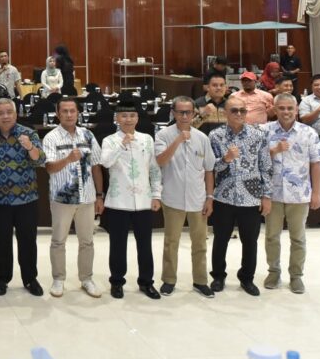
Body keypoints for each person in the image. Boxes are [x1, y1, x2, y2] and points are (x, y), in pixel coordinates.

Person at [0, 98, 46, 297]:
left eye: (9, 112)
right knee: (1, 242)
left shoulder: (28, 134)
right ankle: (2, 277)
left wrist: (30, 147)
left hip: (27, 199)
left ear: (15, 114)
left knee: (28, 241)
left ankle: (30, 278)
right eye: (1, 113)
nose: (5, 116)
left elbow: (40, 160)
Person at [209, 95, 273, 296]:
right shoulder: (215, 136)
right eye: (234, 110)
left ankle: (247, 278)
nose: (239, 114)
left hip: (251, 196)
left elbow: (265, 166)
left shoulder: (259, 135)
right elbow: (210, 168)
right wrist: (226, 159)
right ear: (225, 113)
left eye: (242, 110)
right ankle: (218, 276)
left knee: (250, 241)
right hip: (223, 196)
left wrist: (267, 195)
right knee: (220, 239)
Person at [154, 95, 216, 298]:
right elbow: (160, 161)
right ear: (173, 113)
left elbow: (209, 170)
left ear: (194, 113)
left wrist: (209, 197)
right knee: (171, 242)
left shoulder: (202, 138)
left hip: (198, 199)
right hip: (172, 198)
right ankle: (169, 280)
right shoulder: (163, 135)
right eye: (180, 112)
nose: (184, 116)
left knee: (200, 243)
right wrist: (178, 140)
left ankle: (200, 281)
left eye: (188, 112)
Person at [42, 97, 104, 298]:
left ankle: (86, 278)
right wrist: (68, 159)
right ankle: (58, 279)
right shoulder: (51, 138)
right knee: (58, 241)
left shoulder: (88, 135)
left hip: (87, 198)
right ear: (58, 114)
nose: (69, 115)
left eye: (72, 111)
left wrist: (99, 195)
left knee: (87, 241)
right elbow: (49, 168)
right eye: (65, 111)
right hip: (62, 199)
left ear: (78, 113)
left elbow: (96, 166)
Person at [101, 99, 162, 300]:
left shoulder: (147, 139)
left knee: (145, 245)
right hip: (118, 201)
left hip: (144, 200)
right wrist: (122, 144)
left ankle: (146, 282)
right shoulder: (110, 140)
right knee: (117, 245)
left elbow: (154, 168)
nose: (128, 119)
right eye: (124, 116)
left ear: (137, 118)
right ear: (117, 118)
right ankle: (117, 282)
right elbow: (105, 162)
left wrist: (156, 194)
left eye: (132, 115)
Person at [265, 93, 320, 294]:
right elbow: (258, 161)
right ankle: (274, 272)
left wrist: (316, 193)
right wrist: (274, 150)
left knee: (298, 238)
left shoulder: (308, 133)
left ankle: (296, 276)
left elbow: (315, 164)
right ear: (275, 110)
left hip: (299, 194)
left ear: (296, 109)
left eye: (290, 108)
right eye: (281, 108)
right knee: (272, 236)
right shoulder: (265, 131)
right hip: (272, 194)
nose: (286, 112)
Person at [298, 74, 320, 140]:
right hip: (315, 140)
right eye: (316, 85)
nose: (319, 87)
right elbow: (304, 120)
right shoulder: (306, 101)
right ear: (312, 87)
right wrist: (319, 110)